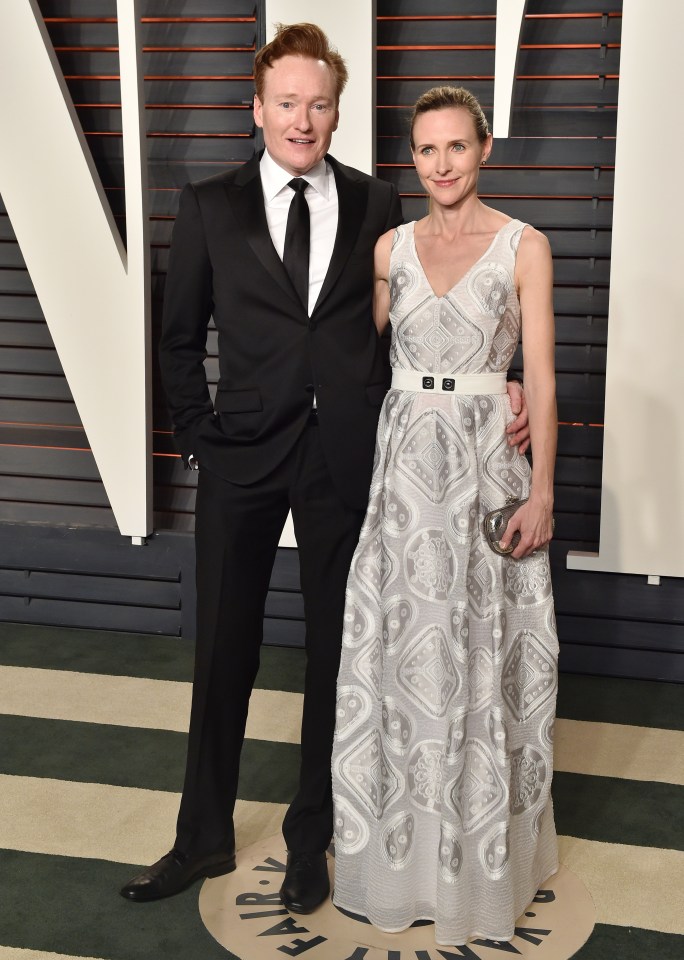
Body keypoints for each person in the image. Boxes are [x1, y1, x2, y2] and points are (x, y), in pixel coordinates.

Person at [120, 27, 530, 913]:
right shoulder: (209, 205)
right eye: (288, 102)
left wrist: (515, 385)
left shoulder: (381, 202)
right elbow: (178, 336)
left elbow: (432, 313)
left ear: (337, 112)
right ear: (257, 107)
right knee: (223, 649)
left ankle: (314, 841)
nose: (303, 119)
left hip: (349, 455)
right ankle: (201, 839)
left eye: (319, 103)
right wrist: (199, 436)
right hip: (241, 457)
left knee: (338, 660)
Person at [331, 85, 558, 945]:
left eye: (457, 147)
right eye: (427, 151)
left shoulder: (523, 246)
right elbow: (352, 349)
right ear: (413, 159)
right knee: (404, 662)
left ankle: (477, 866)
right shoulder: (388, 247)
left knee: (485, 656)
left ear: (485, 148)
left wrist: (541, 489)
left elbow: (538, 373)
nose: (442, 164)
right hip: (403, 484)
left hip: (485, 473)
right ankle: (401, 862)